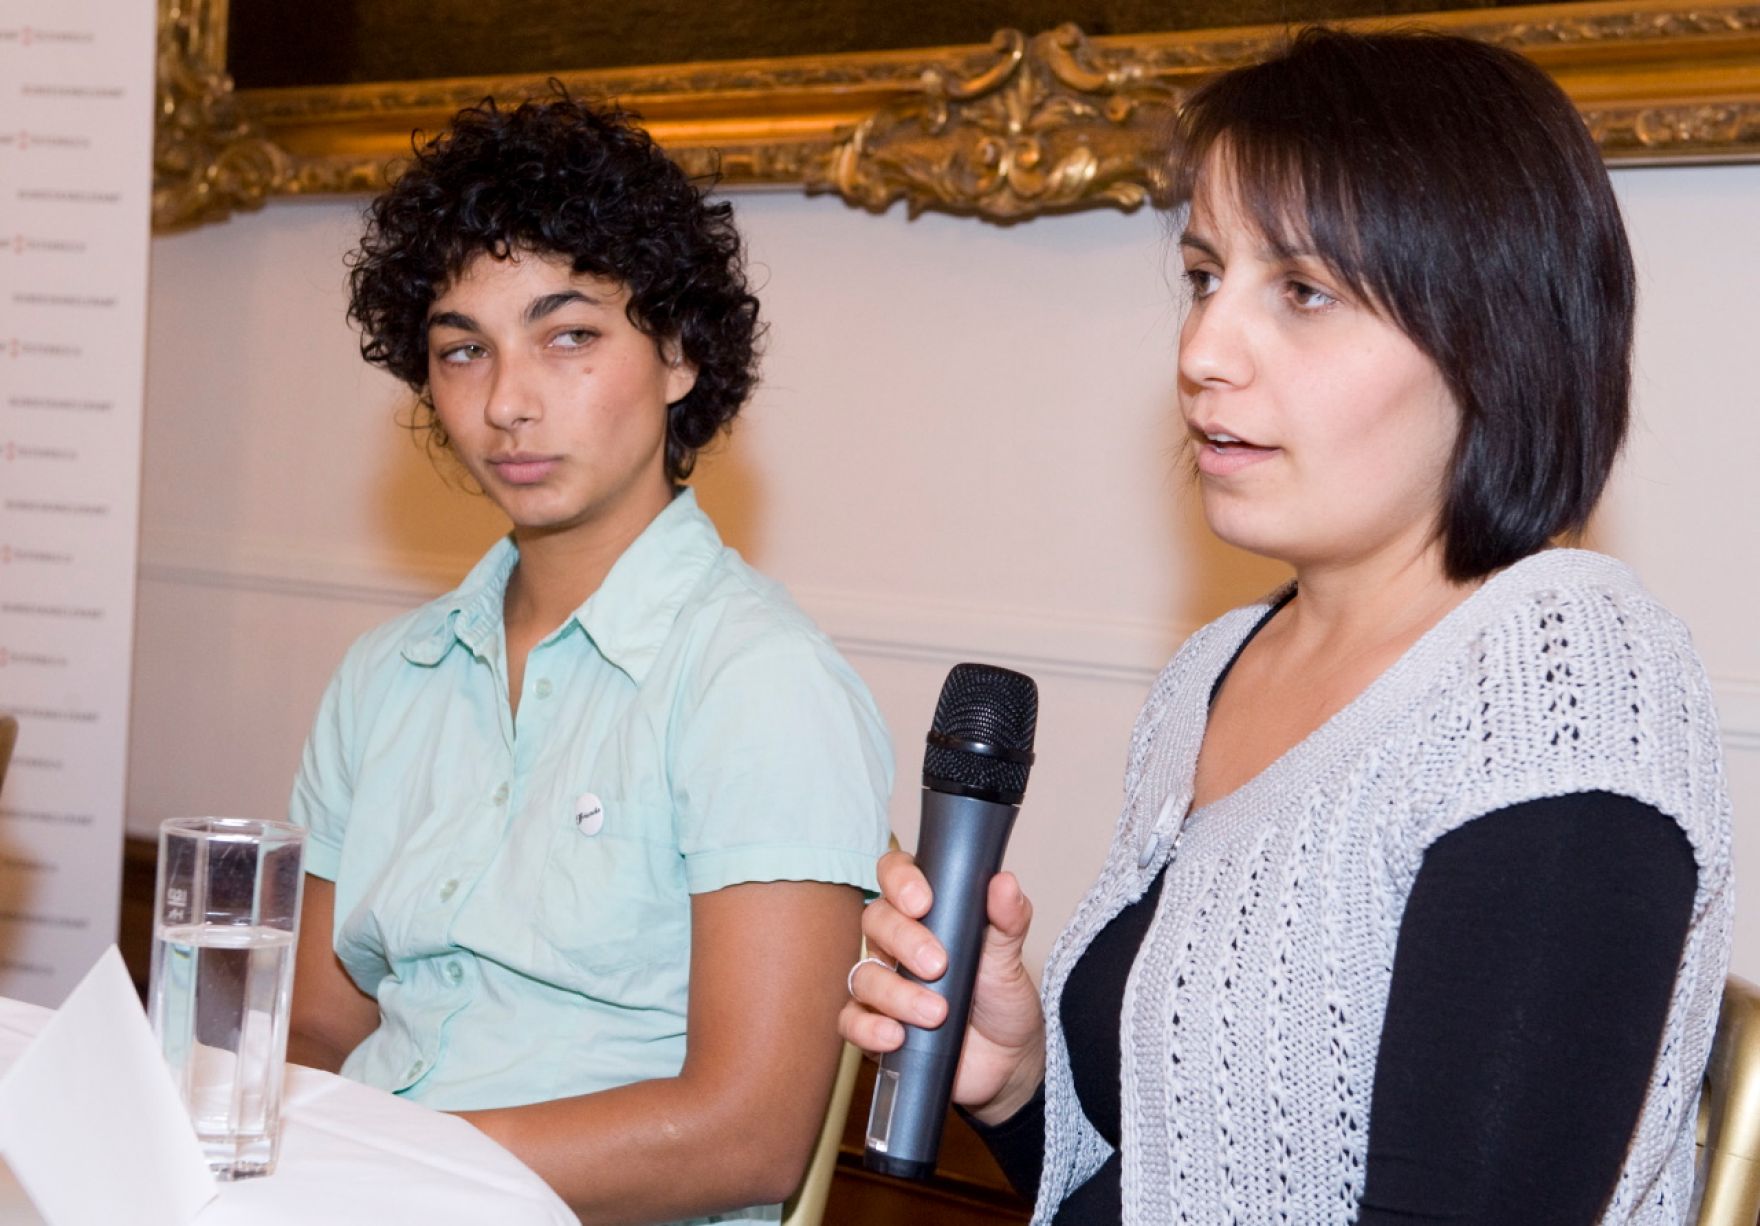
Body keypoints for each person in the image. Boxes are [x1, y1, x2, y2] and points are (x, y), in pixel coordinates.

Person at [841, 28, 1731, 1226]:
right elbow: (1169, 1179)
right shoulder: (1215, 667)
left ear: (1494, 334)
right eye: (1205, 277)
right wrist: (1013, 1084)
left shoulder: (1560, 682)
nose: (1202, 351)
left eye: (1302, 291)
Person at [285, 92, 894, 1225]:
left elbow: (747, 1132)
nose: (507, 402)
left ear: (676, 353)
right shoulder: (384, 677)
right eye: (462, 350)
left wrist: (394, 1166)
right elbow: (320, 1025)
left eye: (569, 335)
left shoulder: (756, 682)